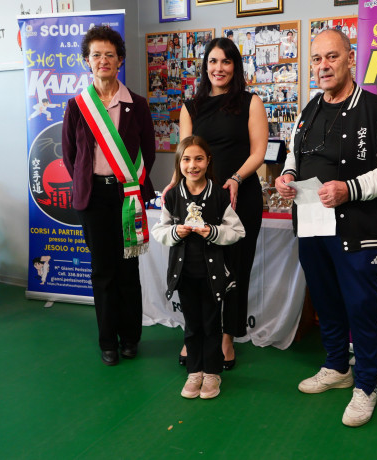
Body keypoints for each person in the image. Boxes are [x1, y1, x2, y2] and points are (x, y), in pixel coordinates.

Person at [275, 29, 377, 427]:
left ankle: (367, 385)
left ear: (350, 59)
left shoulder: (376, 110)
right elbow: (294, 155)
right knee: (326, 303)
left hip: (360, 230)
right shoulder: (308, 111)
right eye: (317, 59)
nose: (324, 66)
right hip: (313, 227)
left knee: (362, 308)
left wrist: (350, 188)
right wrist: (287, 175)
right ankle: (337, 367)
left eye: (332, 57)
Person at [164, 37, 268, 370]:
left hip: (239, 197)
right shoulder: (191, 107)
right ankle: (193, 335)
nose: (218, 68)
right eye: (212, 61)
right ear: (204, 66)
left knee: (235, 269)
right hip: (198, 200)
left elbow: (259, 152)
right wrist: (174, 184)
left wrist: (236, 178)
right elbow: (185, 153)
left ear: (235, 66)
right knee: (195, 269)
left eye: (225, 61)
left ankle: (226, 338)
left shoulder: (250, 102)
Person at [62, 25, 155, 366]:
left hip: (127, 196)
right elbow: (70, 156)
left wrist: (130, 183)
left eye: (110, 55)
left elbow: (148, 151)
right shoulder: (77, 106)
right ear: (87, 61)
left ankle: (130, 338)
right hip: (93, 200)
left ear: (120, 60)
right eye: (96, 55)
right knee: (103, 271)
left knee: (128, 268)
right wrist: (90, 182)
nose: (103, 60)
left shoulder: (137, 105)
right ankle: (108, 342)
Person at [152, 136, 245, 399]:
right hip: (184, 275)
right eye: (186, 159)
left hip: (212, 276)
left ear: (208, 161)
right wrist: (175, 232)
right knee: (192, 325)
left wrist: (213, 232)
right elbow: (159, 231)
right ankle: (194, 371)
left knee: (212, 324)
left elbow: (237, 231)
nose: (192, 165)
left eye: (199, 159)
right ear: (179, 163)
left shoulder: (219, 194)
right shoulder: (172, 196)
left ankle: (212, 373)